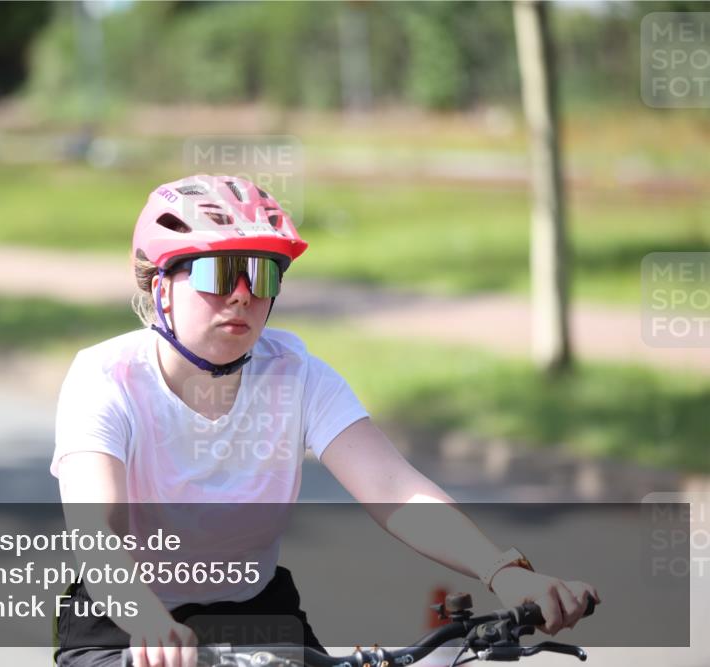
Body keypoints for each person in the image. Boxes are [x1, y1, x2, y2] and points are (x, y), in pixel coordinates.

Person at [51, 175, 600, 667]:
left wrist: (503, 570)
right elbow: (98, 533)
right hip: (123, 626)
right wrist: (148, 622)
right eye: (219, 272)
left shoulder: (297, 374)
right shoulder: (106, 379)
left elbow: (395, 490)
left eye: (262, 274)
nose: (242, 295)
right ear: (159, 285)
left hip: (256, 616)